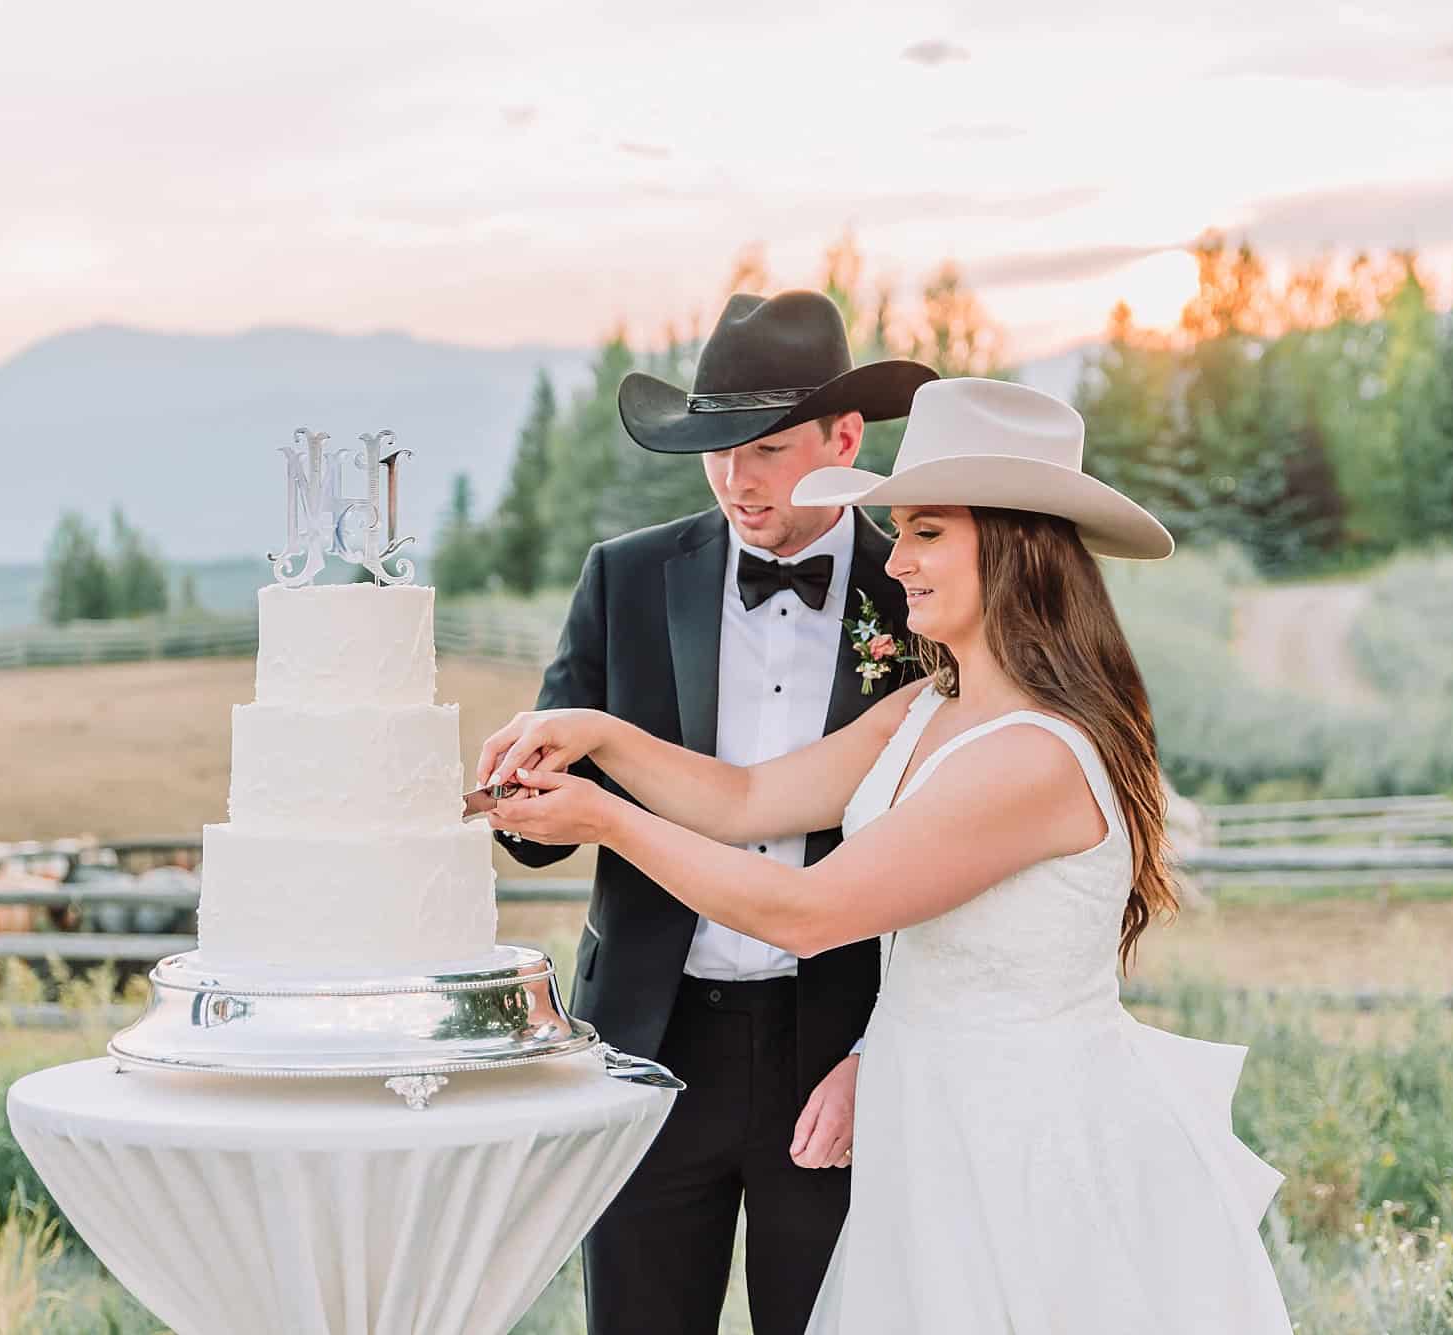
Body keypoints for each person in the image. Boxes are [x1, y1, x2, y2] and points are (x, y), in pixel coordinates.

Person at [481, 377, 1293, 1333]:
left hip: (1014, 1141)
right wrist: (596, 735)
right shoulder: (924, 708)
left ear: (1019, 541)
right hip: (925, 1112)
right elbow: (748, 798)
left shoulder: (1037, 754)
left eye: (927, 533)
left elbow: (808, 910)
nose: (895, 560)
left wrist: (608, 822)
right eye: (901, 530)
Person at [492, 288, 936, 1335]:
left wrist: (882, 1050)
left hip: (838, 1044)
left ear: (843, 438)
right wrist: (520, 795)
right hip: (652, 1038)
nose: (736, 480)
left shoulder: (919, 591)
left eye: (768, 450)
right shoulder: (628, 577)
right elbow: (543, 807)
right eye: (714, 450)